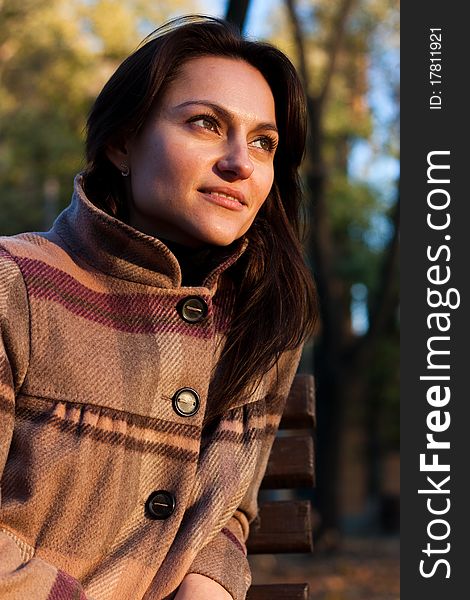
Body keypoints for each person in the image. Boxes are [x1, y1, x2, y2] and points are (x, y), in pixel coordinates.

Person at [0, 15, 316, 600]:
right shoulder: (15, 286)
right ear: (122, 142)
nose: (239, 163)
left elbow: (226, 511)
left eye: (262, 143)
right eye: (205, 123)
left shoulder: (264, 320)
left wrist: (208, 584)